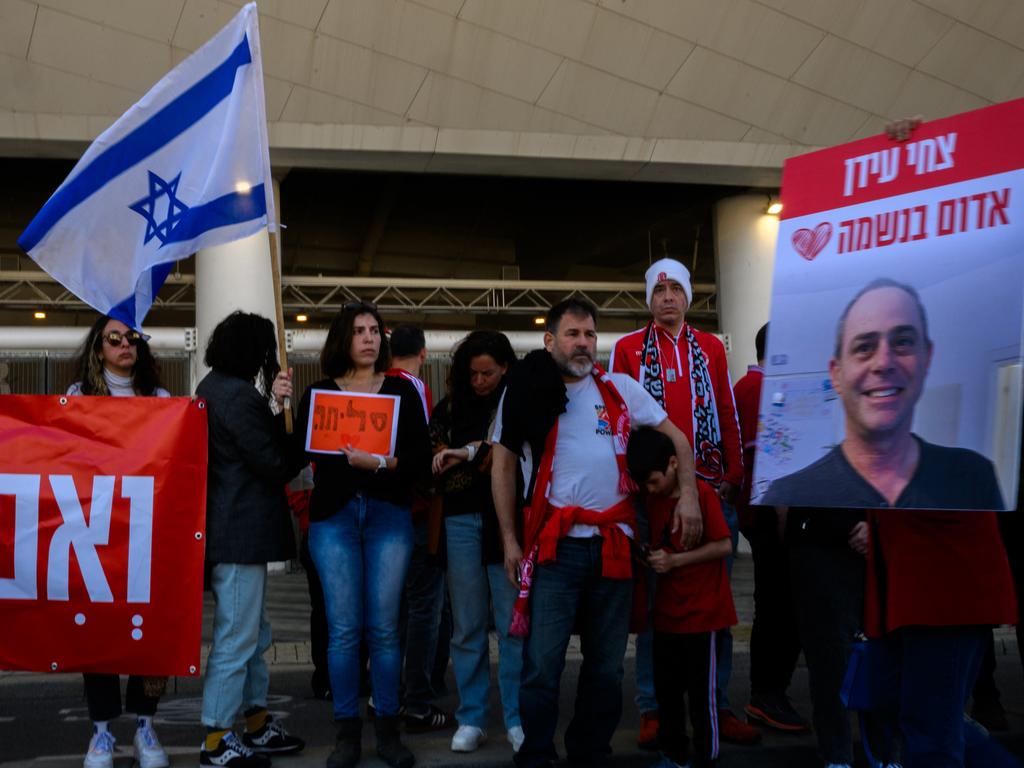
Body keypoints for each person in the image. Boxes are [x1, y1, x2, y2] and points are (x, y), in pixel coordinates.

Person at [492, 297, 702, 768]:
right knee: (542, 666)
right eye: (572, 334)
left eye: (589, 334)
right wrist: (509, 540)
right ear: (550, 341)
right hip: (554, 548)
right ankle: (538, 754)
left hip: (614, 547)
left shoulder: (622, 387)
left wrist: (688, 496)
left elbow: (680, 441)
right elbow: (503, 465)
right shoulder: (526, 390)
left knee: (606, 669)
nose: (583, 343)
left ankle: (590, 752)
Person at [610, 258, 755, 746]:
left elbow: (726, 409)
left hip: (711, 489)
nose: (667, 296)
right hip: (653, 496)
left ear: (688, 296)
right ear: (649, 298)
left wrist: (733, 475)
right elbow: (620, 421)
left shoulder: (710, 347)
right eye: (659, 289)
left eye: (676, 288)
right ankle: (653, 706)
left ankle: (718, 703)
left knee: (716, 605)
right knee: (656, 604)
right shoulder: (628, 349)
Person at [292, 302, 431, 768]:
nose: (369, 338)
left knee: (385, 629)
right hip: (333, 519)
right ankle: (346, 733)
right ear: (342, 339)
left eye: (374, 330)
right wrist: (279, 403)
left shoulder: (402, 392)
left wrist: (382, 463)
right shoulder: (316, 394)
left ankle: (388, 731)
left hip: (389, 516)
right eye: (359, 331)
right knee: (345, 631)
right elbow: (288, 455)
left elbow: (419, 459)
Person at [762, 279, 1004, 510]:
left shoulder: (974, 478)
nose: (884, 362)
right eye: (864, 347)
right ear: (836, 374)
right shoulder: (788, 497)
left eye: (903, 341)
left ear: (926, 357)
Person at [196, 311, 305, 767]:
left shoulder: (212, 388)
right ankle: (217, 739)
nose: (268, 358)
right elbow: (271, 462)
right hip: (240, 532)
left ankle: (256, 724)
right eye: (265, 349)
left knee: (251, 633)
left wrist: (274, 405)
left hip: (228, 530)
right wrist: (298, 433)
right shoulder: (238, 396)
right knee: (239, 637)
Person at [68, 315, 171, 768]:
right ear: (98, 346)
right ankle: (102, 731)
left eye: (133, 337)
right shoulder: (79, 397)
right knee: (97, 629)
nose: (125, 344)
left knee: (154, 629)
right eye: (115, 338)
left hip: (148, 533)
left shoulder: (162, 399)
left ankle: (145, 725)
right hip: (95, 531)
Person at [429, 330, 523, 753]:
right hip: (461, 519)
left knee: (512, 625)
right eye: (474, 374)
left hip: (509, 523)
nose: (481, 381)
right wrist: (478, 453)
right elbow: (434, 457)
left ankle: (517, 717)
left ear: (506, 368)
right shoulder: (448, 408)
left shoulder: (520, 402)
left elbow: (498, 456)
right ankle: (471, 717)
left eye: (489, 372)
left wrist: (464, 454)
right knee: (466, 625)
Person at [626, 426, 737, 768]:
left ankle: (707, 756)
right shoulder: (653, 500)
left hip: (704, 617)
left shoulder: (701, 495)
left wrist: (675, 560)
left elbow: (724, 545)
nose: (650, 489)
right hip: (666, 617)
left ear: (674, 464)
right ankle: (673, 754)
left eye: (654, 481)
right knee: (668, 694)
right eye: (644, 484)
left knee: (702, 699)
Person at [733, 324, 807, 733]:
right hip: (774, 517)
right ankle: (767, 694)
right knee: (783, 608)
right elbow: (772, 460)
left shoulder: (743, 386)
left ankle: (767, 693)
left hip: (756, 515)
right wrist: (784, 519)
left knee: (773, 605)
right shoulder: (764, 389)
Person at [386, 324, 453, 734]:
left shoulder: (372, 385)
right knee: (425, 609)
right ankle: (418, 699)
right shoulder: (413, 386)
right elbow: (423, 454)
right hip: (415, 512)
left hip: (380, 515)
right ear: (424, 354)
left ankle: (386, 694)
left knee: (389, 612)